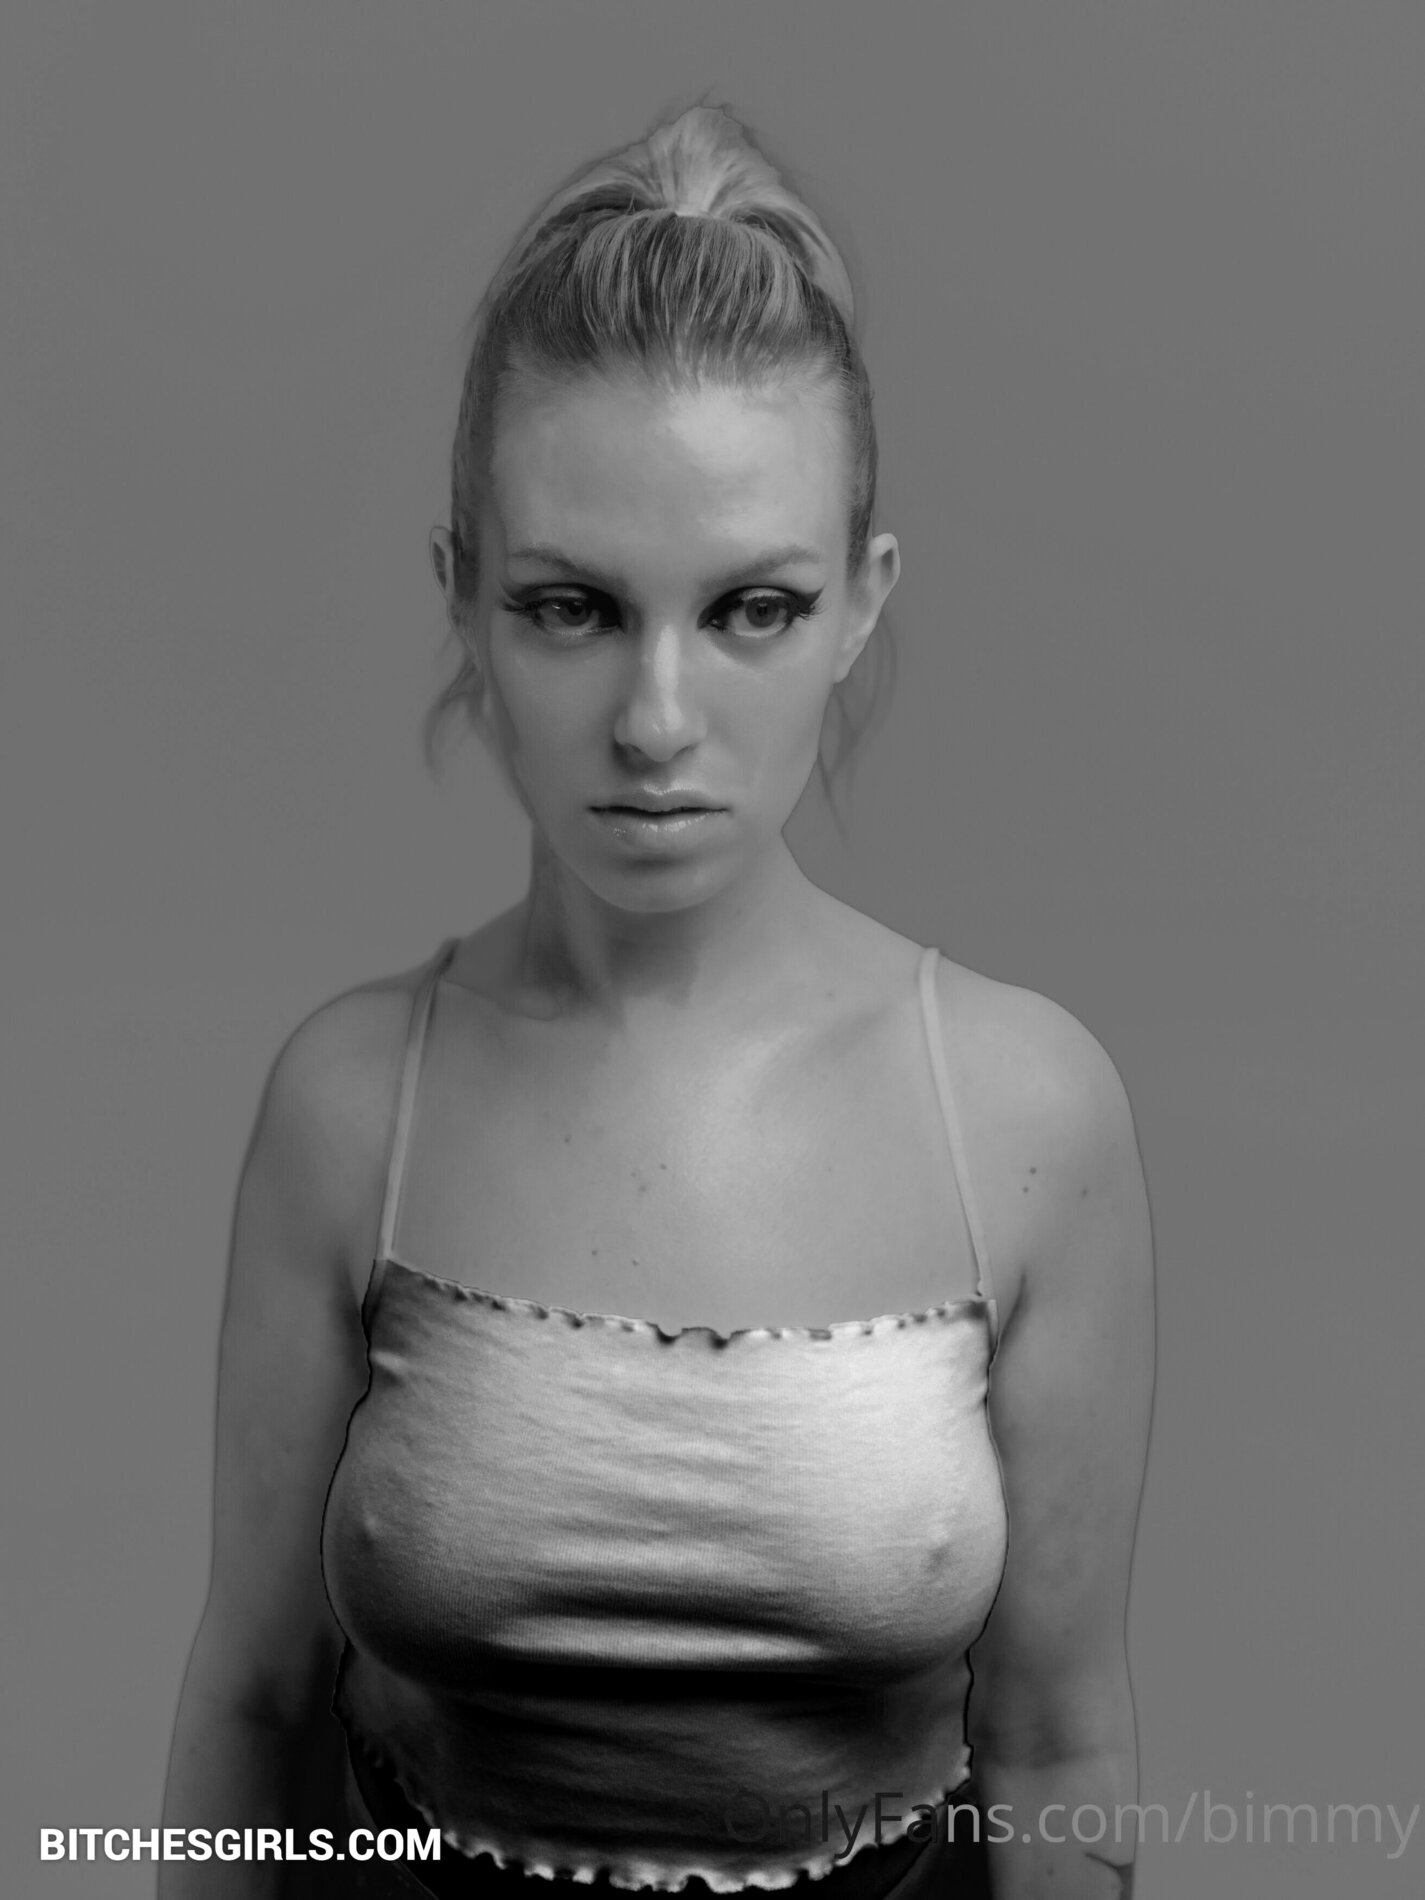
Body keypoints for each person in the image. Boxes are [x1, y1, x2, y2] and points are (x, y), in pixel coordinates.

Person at [160, 104, 1155, 1900]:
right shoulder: (349, 1106)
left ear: (862, 603)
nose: (657, 721)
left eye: (752, 607)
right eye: (573, 609)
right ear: (463, 597)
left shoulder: (1023, 1116)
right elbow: (249, 1712)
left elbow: (1061, 1744)